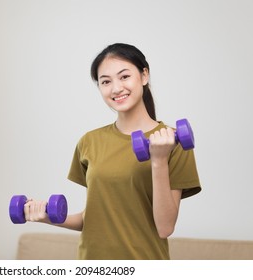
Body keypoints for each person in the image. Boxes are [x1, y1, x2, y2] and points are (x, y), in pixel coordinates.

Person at [24, 43, 201, 260]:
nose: (116, 88)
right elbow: (92, 219)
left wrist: (158, 160)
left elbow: (165, 228)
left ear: (144, 75)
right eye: (106, 81)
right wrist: (46, 217)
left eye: (124, 76)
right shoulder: (89, 142)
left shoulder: (173, 143)